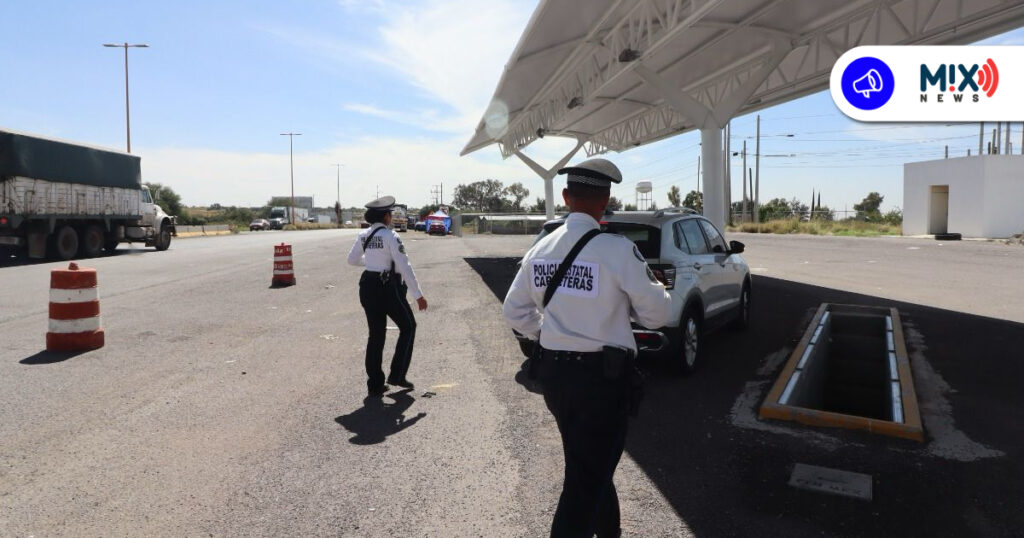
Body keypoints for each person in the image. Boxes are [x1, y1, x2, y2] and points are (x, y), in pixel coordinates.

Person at [502, 158, 672, 537]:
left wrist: (550, 334)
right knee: (583, 482)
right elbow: (657, 316)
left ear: (565, 197)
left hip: (556, 378)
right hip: (601, 381)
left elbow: (514, 311)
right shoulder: (617, 250)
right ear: (606, 200)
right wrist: (656, 290)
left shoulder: (540, 249)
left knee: (590, 467)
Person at [347, 196, 428, 396]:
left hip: (367, 286)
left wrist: (373, 264)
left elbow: (352, 260)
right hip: (386, 287)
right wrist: (418, 295)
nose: (391, 217)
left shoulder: (364, 234)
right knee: (408, 327)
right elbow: (404, 266)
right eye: (390, 214)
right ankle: (397, 375)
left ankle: (375, 384)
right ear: (385, 216)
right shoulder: (391, 236)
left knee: (376, 335)